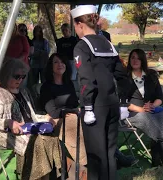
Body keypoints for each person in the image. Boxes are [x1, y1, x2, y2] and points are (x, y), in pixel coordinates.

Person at [71, 5, 128, 179]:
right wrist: (123, 102)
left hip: (95, 106)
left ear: (80, 24)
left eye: (75, 26)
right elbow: (122, 76)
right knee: (110, 152)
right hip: (112, 104)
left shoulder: (81, 46)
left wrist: (87, 106)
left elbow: (86, 79)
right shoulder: (108, 43)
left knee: (96, 155)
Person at [0, 58, 61, 180]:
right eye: (17, 76)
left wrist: (46, 117)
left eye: (23, 76)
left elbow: (32, 114)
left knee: (51, 137)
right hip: (7, 133)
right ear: (6, 75)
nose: (20, 80)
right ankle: (35, 177)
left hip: (29, 128)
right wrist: (9, 123)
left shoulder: (23, 91)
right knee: (38, 142)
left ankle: (48, 176)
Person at [125, 49, 163, 166]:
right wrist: (140, 109)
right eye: (133, 58)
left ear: (143, 60)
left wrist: (153, 105)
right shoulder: (124, 78)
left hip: (151, 109)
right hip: (133, 113)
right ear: (129, 60)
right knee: (149, 120)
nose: (135, 60)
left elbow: (159, 97)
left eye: (138, 58)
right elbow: (122, 101)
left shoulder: (151, 75)